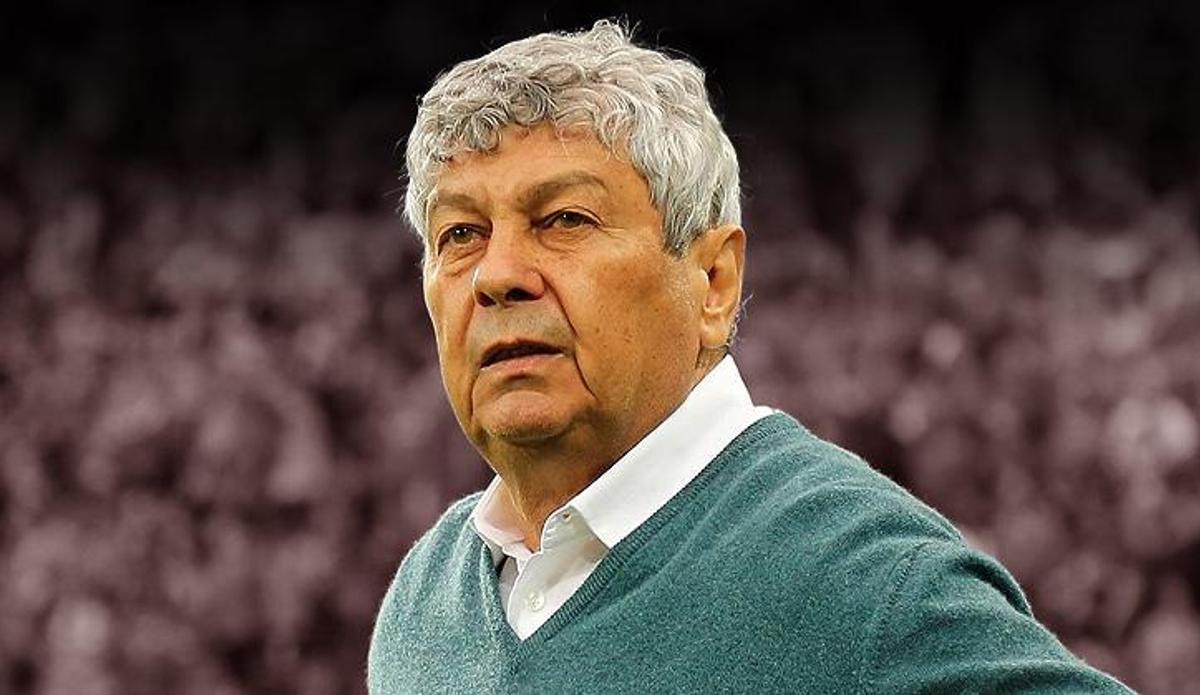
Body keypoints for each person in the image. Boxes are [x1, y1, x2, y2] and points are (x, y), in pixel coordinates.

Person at [368, 20, 1132, 694]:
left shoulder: (863, 583)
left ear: (714, 281)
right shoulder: (425, 595)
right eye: (460, 234)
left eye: (564, 219)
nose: (498, 273)